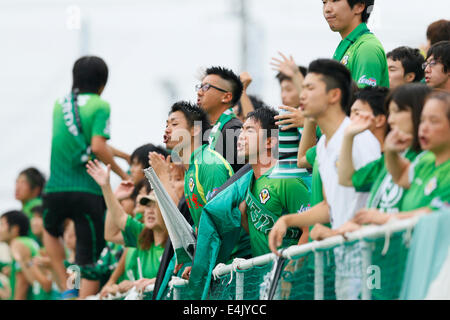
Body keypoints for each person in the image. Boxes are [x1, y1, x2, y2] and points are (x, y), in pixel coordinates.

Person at [268, 59, 381, 300]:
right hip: (344, 262)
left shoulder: (359, 139)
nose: (301, 94)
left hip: (372, 262)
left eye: (310, 88)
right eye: (303, 87)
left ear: (334, 95)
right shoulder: (323, 145)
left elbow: (379, 201)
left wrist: (336, 233)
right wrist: (288, 220)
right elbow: (330, 206)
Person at [42, 56, 130, 298]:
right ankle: (81, 296)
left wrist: (124, 155)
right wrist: (122, 173)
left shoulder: (60, 104)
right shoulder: (100, 105)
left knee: (50, 230)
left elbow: (85, 145)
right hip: (86, 192)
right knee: (87, 255)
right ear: (102, 83)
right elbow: (98, 146)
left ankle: (66, 286)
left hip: (56, 189)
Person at [353, 90, 450, 225]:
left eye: (433, 121)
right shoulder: (426, 160)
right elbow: (400, 176)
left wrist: (384, 218)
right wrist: (391, 151)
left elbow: (436, 213)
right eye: (422, 120)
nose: (423, 128)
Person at [338, 84, 431, 214]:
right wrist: (348, 136)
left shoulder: (432, 158)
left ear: (421, 112)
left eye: (397, 111)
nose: (391, 120)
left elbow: (435, 210)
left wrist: (383, 220)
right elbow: (346, 179)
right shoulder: (392, 157)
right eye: (390, 113)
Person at [86, 160, 168, 293]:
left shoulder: (176, 244)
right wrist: (106, 188)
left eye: (155, 205)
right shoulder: (142, 235)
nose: (150, 211)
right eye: (147, 205)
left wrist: (145, 283)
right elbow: (116, 223)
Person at [237, 107, 310, 257]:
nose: (241, 136)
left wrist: (292, 269)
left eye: (249, 131)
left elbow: (310, 230)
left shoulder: (286, 179)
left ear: (269, 142)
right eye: (241, 130)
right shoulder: (248, 181)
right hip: (264, 277)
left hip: (288, 275)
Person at [324, 0, 389, 88]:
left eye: (335, 1)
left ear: (359, 7)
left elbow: (365, 100)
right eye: (324, 2)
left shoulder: (366, 48)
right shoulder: (349, 44)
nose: (327, 9)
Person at [196, 66, 245, 173]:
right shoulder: (209, 131)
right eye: (200, 87)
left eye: (206, 87)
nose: (199, 92)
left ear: (226, 97)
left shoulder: (233, 130)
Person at [0, 211, 40, 300]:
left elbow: (23, 283)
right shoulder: (27, 242)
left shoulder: (18, 244)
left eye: (2, 225)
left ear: (15, 229)